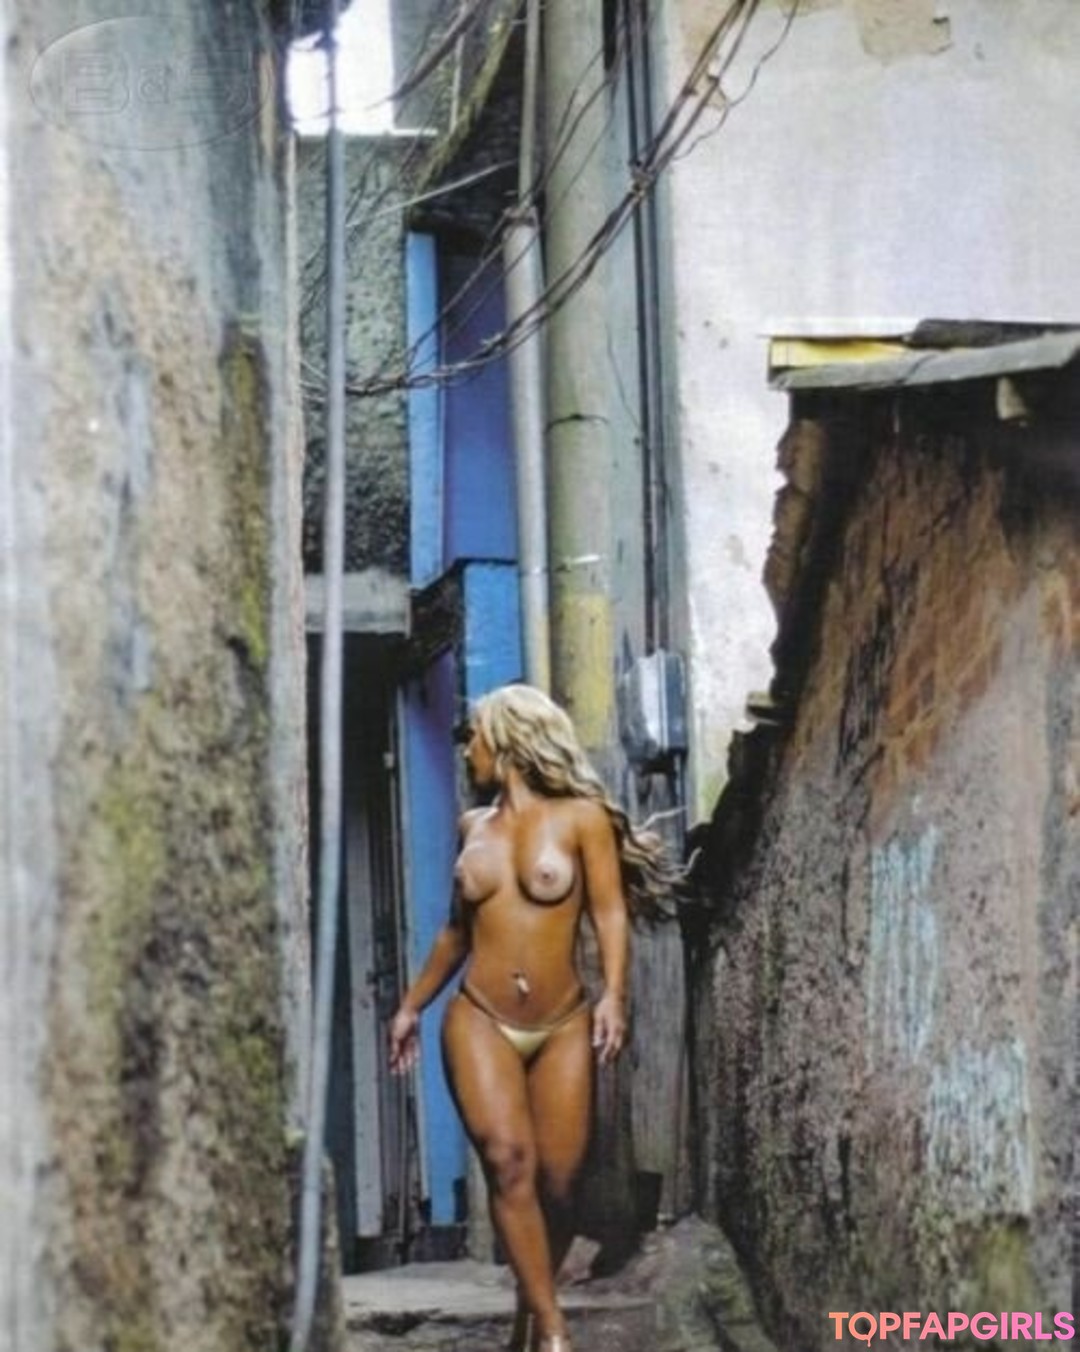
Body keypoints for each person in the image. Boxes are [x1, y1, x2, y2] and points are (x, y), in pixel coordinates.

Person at [388, 683, 677, 1352]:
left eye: (474, 736)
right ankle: (553, 1331)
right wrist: (410, 1007)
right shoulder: (473, 828)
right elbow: (455, 933)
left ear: (508, 740)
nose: (467, 749)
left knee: (559, 1182)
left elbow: (608, 911)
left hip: (563, 1021)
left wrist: (614, 995)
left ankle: (529, 1313)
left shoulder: (582, 819)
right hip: (479, 1017)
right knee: (509, 1162)